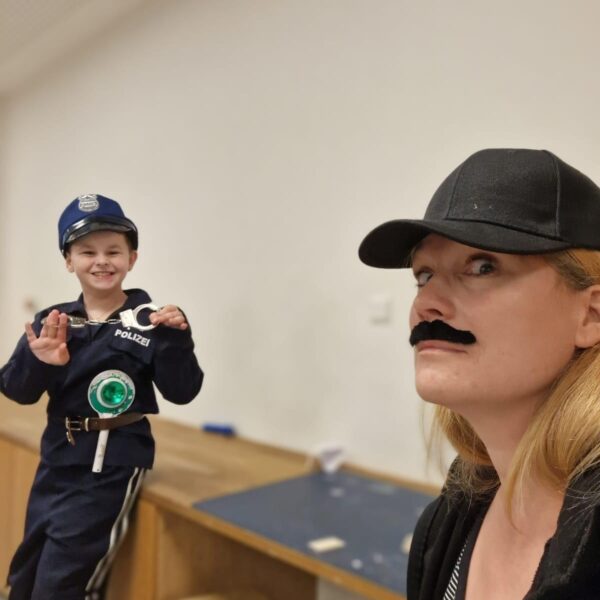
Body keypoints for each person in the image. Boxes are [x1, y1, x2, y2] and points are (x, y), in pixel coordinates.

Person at [359, 149, 600, 600]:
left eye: (482, 266)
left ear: (591, 314)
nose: (425, 304)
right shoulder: (446, 526)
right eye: (424, 275)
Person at [0, 193, 204, 600]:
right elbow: (16, 390)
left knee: (61, 583)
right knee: (25, 572)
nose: (102, 261)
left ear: (132, 258)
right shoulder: (53, 321)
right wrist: (41, 362)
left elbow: (183, 392)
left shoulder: (153, 321)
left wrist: (177, 340)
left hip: (111, 464)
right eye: (87, 252)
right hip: (57, 456)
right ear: (68, 261)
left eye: (113, 251)